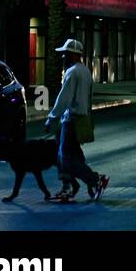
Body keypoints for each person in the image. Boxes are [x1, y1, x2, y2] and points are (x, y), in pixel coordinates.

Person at [45, 38, 109, 203]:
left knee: (66, 157)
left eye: (65, 54)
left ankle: (95, 179)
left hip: (71, 120)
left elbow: (64, 98)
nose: (62, 57)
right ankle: (67, 188)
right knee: (72, 155)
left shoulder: (72, 72)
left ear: (72, 55)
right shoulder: (86, 71)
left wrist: (52, 118)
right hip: (81, 119)